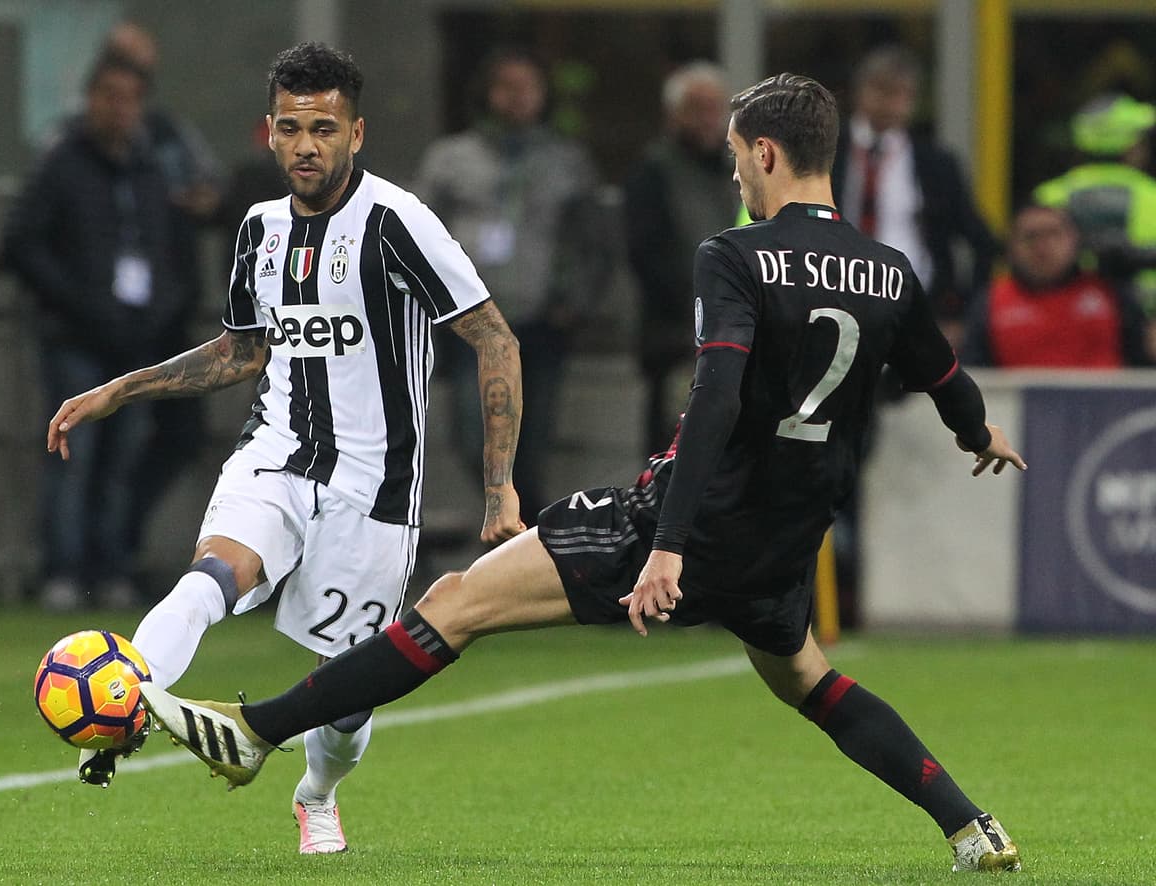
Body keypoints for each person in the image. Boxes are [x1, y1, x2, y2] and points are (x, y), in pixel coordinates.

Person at [141, 73, 1025, 874]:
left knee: (456, 602)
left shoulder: (736, 253)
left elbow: (712, 399)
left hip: (685, 518)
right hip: (785, 535)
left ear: (765, 152)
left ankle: (259, 733)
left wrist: (668, 545)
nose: (735, 180)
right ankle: (969, 826)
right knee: (814, 683)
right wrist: (979, 434)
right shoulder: (889, 271)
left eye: (734, 160)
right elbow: (946, 378)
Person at [45, 43, 524, 855]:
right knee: (210, 577)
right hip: (278, 453)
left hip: (375, 487)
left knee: (347, 703)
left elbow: (495, 339)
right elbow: (242, 352)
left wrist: (499, 488)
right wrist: (120, 388)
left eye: (325, 128)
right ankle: (123, 712)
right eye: (293, 127)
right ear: (268, 132)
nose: (307, 145)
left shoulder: (396, 221)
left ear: (356, 134)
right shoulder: (259, 230)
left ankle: (316, 790)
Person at [6, 51, 184, 612]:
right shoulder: (62, 165)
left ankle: (110, 569)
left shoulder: (150, 169)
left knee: (123, 462)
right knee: (73, 456)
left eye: (130, 98)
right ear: (89, 100)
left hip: (134, 344)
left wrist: (158, 313)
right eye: (109, 96)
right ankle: (63, 573)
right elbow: (24, 241)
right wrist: (78, 303)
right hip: (77, 338)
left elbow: (167, 250)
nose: (120, 108)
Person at [417, 47, 606, 525]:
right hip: (472, 322)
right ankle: (511, 525)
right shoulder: (452, 158)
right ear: (486, 92)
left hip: (540, 323)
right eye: (508, 86)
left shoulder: (567, 160)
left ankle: (524, 535)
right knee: (470, 432)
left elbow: (594, 242)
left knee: (532, 438)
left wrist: (575, 303)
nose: (518, 98)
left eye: (528, 88)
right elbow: (418, 234)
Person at [100, 21, 226, 593]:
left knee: (175, 435)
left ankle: (117, 547)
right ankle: (96, 562)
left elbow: (210, 189)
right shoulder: (77, 148)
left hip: (167, 314)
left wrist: (201, 202)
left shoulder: (164, 139)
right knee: (112, 443)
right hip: (104, 323)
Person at [832, 45, 998, 346]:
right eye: (880, 89)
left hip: (914, 307)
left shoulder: (935, 164)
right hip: (831, 303)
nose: (889, 102)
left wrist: (960, 313)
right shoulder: (826, 153)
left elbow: (982, 241)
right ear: (859, 91)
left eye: (900, 93)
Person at [624, 61, 741, 457]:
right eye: (697, 108)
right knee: (671, 459)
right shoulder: (653, 172)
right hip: (676, 343)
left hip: (737, 342)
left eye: (716, 107)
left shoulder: (738, 174)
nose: (709, 119)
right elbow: (647, 256)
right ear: (673, 114)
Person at [964, 203, 1153, 367]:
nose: (1042, 246)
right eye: (1031, 237)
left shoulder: (1109, 293)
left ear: (1075, 241)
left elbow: (1141, 357)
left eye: (1054, 234)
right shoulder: (991, 300)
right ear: (1011, 247)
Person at [1033, 93, 1156, 318]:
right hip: (1145, 326)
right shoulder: (1152, 196)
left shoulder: (1048, 197)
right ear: (1132, 147)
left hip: (1062, 322)